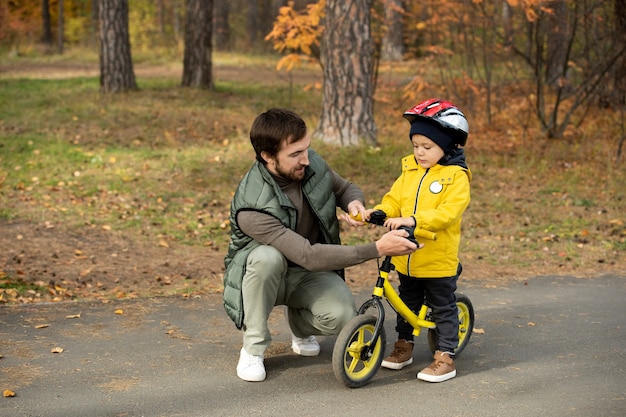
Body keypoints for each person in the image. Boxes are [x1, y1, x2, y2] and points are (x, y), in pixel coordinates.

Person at [223, 108, 418, 382]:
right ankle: (253, 349)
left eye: (307, 149)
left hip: (307, 274)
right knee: (267, 258)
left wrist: (354, 203)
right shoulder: (251, 207)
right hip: (266, 277)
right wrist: (376, 249)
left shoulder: (309, 162)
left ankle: (301, 327)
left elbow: (343, 187)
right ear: (268, 157)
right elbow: (307, 254)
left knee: (343, 316)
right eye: (295, 154)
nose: (306, 159)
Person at [363, 98, 472, 383]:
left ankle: (445, 357)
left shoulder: (455, 177)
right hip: (406, 257)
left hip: (437, 259)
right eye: (416, 146)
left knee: (442, 307)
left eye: (427, 147)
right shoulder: (410, 170)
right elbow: (394, 199)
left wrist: (414, 221)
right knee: (407, 304)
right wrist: (380, 212)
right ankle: (404, 346)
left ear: (447, 146)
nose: (420, 153)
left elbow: (448, 213)